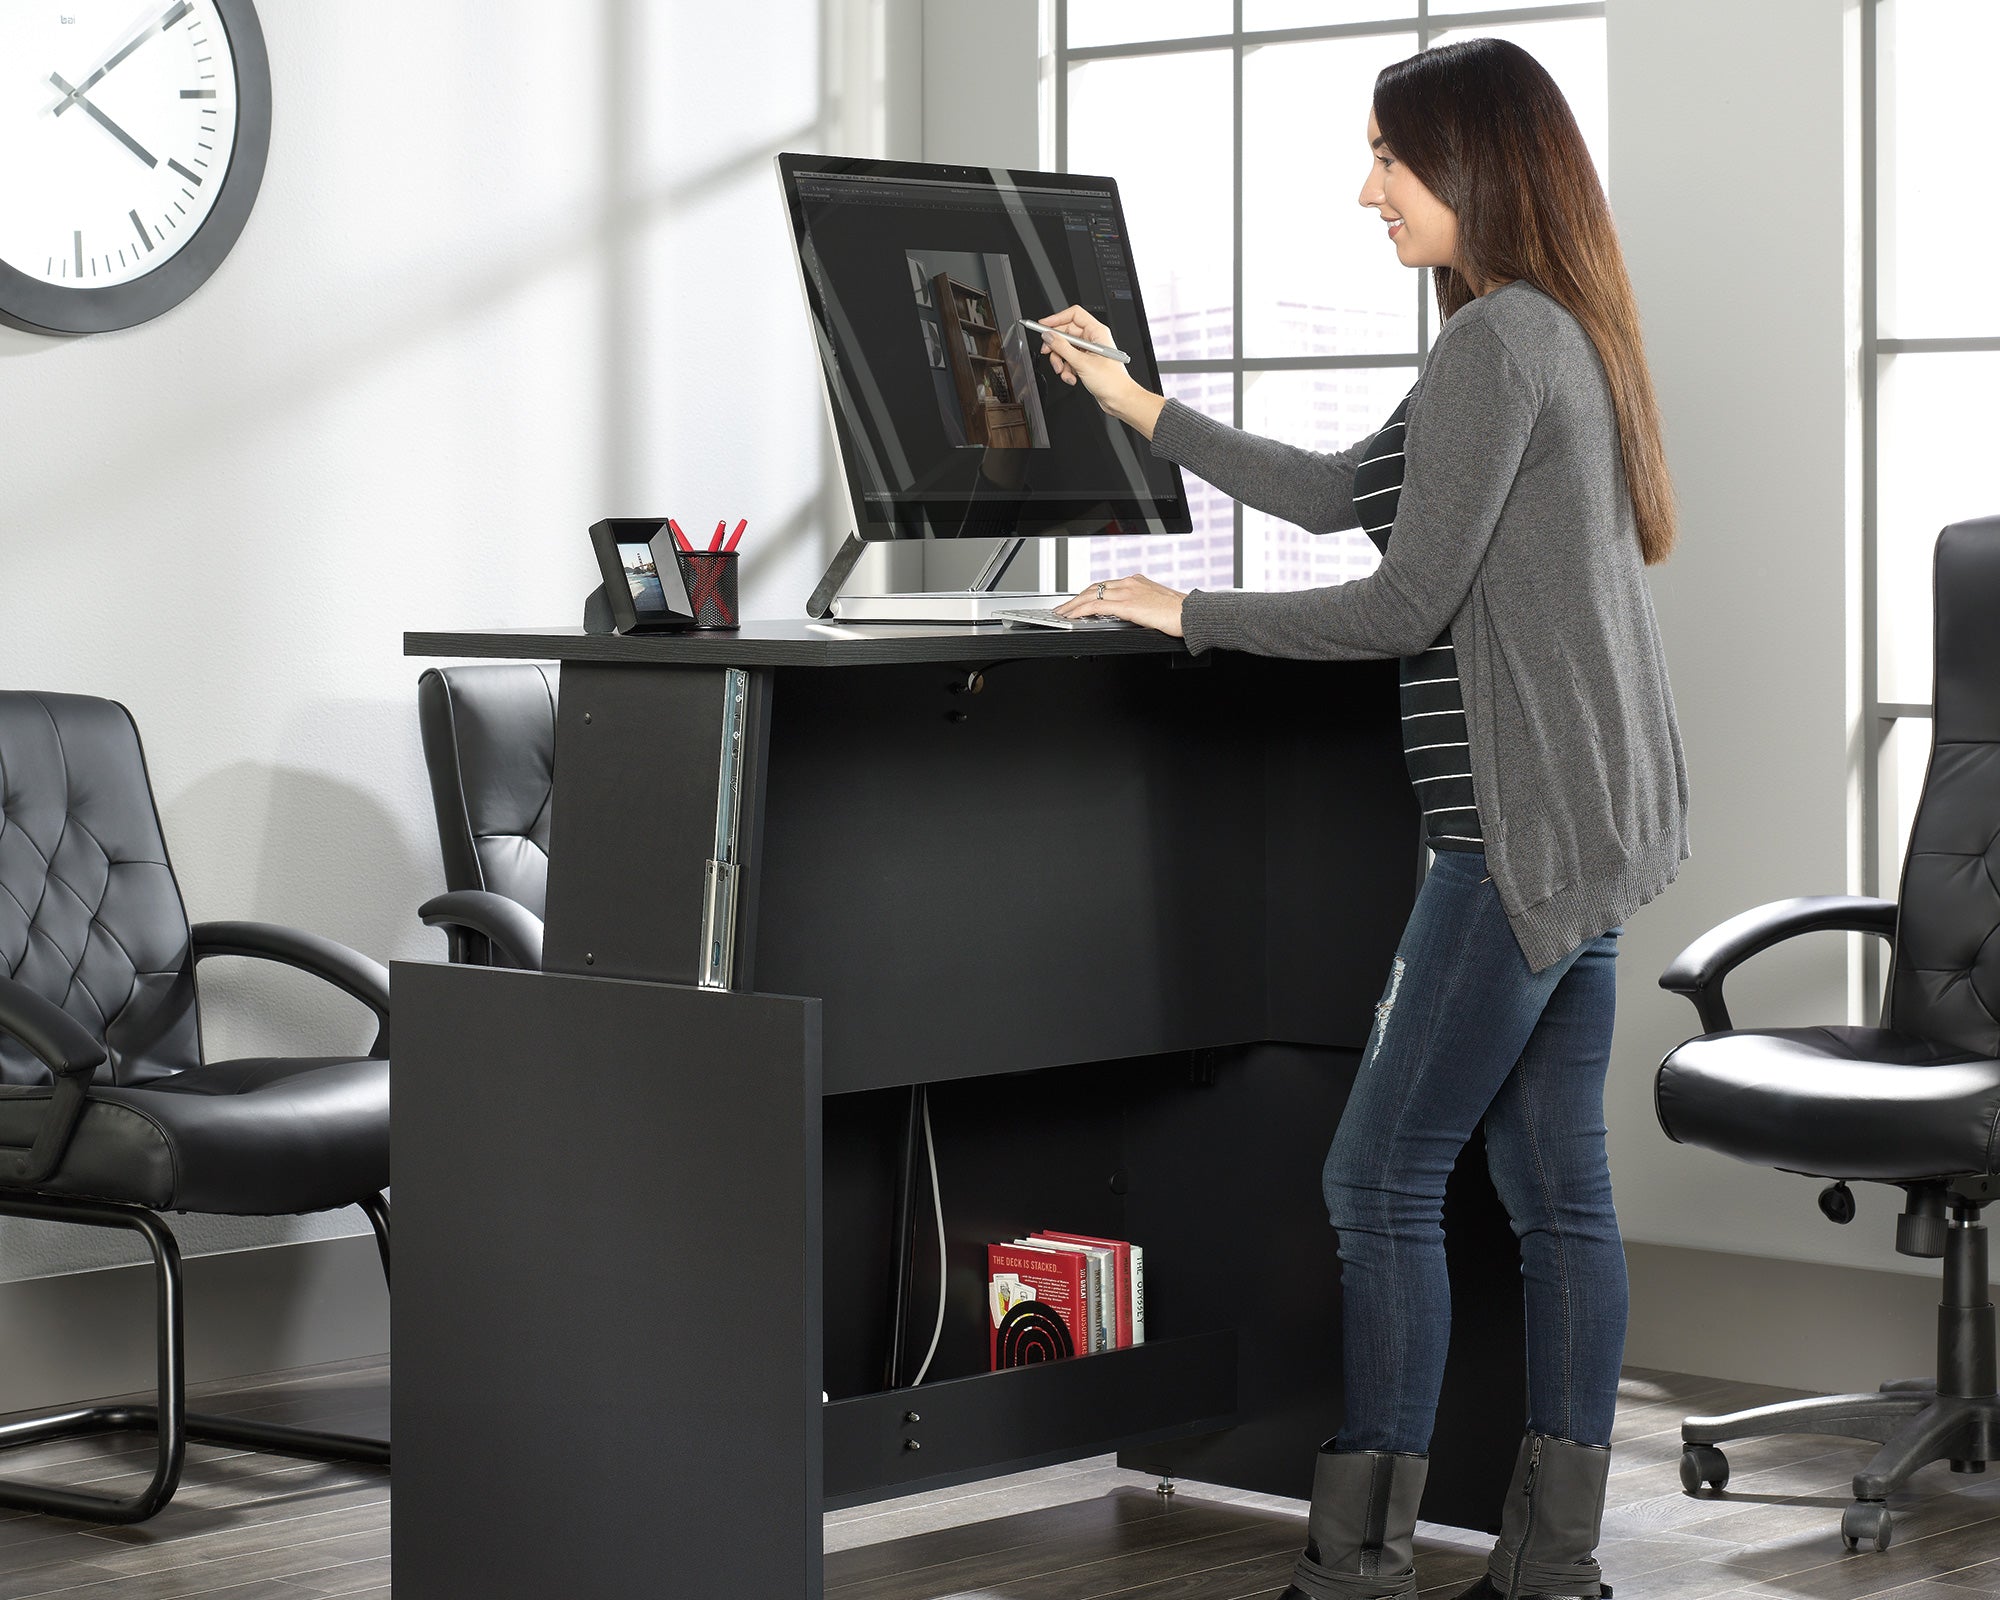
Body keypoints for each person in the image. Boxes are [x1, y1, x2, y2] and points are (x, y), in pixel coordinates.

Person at [1036, 36, 1690, 1600]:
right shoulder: (1552, 331)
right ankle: (1551, 1567)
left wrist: (1180, 615)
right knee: (1558, 1200)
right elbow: (1345, 492)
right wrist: (1143, 404)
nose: (1367, 188)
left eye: (1390, 158)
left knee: (1377, 1181)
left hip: (1514, 837)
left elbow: (1401, 600)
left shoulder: (1495, 346)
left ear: (1471, 165)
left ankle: (1357, 1567)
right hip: (1594, 825)